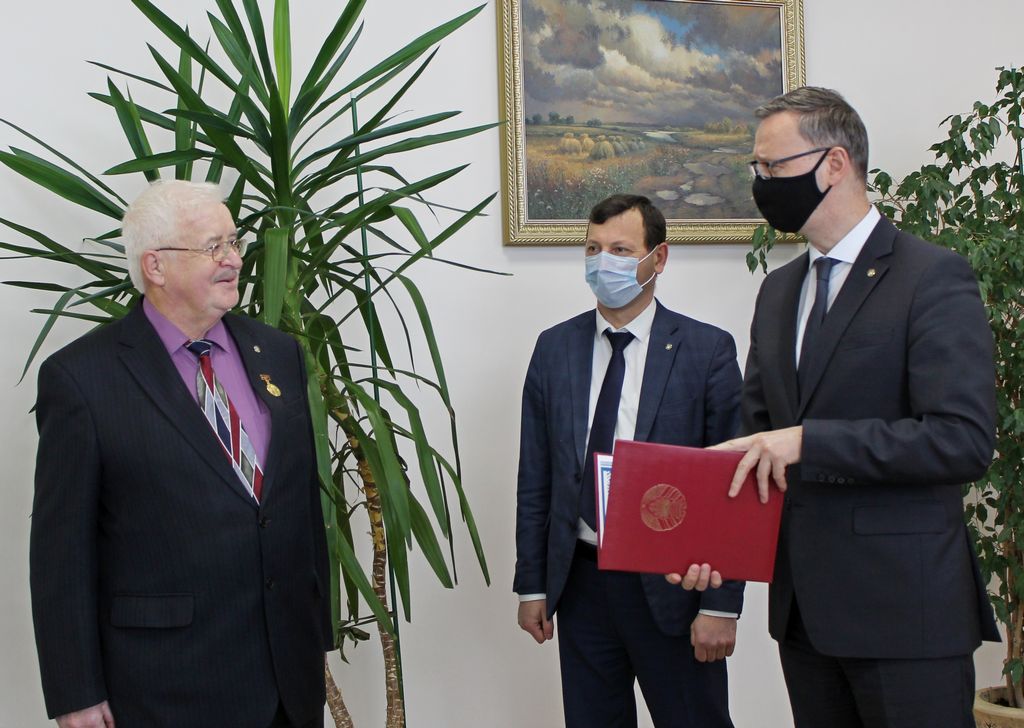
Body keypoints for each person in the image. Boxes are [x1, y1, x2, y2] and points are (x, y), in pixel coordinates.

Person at [669, 87, 1000, 728]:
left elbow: (960, 440)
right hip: (805, 620)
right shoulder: (778, 290)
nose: (761, 183)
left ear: (835, 164)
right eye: (756, 168)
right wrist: (708, 544)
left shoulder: (932, 276)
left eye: (773, 166)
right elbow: (756, 444)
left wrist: (809, 441)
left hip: (905, 615)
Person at [29, 180, 332, 728]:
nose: (234, 259)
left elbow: (299, 505)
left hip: (288, 679)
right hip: (165, 686)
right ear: (156, 266)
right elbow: (61, 552)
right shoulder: (81, 378)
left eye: (234, 242)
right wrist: (76, 693)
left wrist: (316, 633)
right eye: (213, 246)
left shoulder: (278, 352)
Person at [514, 194, 744, 728]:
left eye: (620, 250)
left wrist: (721, 604)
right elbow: (536, 476)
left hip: (675, 586)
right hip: (582, 583)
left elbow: (732, 485)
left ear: (657, 258)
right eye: (592, 249)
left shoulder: (707, 351)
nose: (603, 262)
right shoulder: (555, 348)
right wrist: (533, 585)